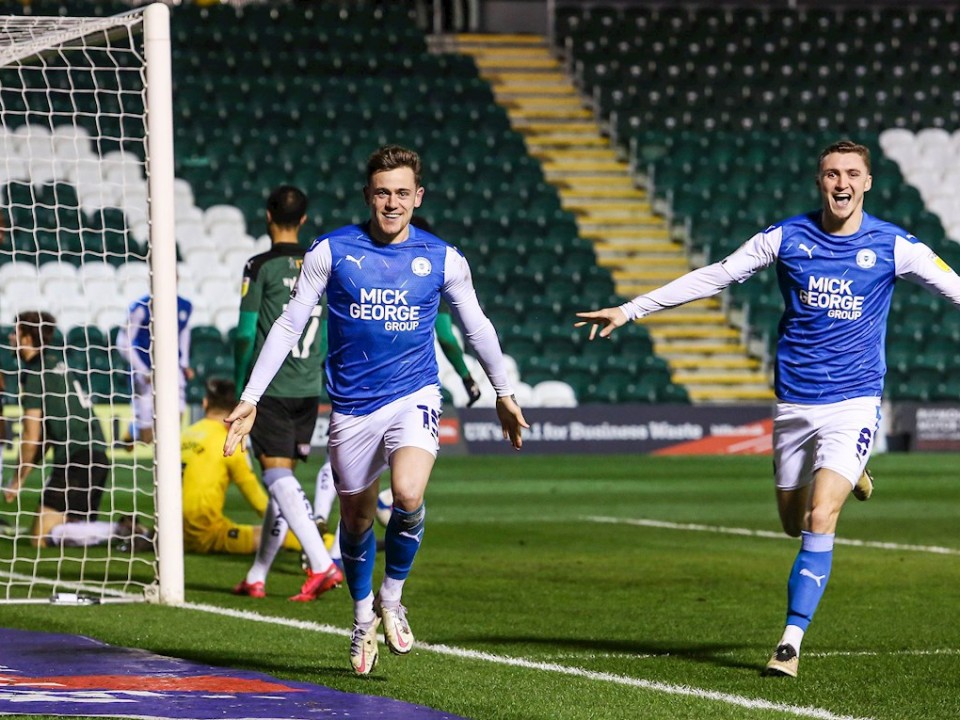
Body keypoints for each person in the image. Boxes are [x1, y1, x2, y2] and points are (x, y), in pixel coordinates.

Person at [575, 139, 960, 678]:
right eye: (832, 174)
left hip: (854, 402)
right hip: (795, 406)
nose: (842, 183)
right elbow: (716, 275)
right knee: (791, 522)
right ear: (819, 181)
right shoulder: (786, 237)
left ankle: (789, 642)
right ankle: (854, 471)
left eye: (852, 174)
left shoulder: (895, 246)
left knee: (820, 517)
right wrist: (631, 309)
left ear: (868, 183)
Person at [223, 144, 527, 675]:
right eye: (383, 193)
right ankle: (363, 617)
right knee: (357, 519)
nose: (392, 203)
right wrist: (249, 398)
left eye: (402, 193)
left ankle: (392, 596)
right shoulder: (331, 251)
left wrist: (503, 391)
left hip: (414, 396)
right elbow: (289, 324)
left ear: (418, 197)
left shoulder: (443, 258)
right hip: (352, 409)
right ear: (368, 195)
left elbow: (476, 325)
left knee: (407, 494)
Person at [231, 184, 342, 602]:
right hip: (308, 387)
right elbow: (327, 330)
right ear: (304, 220)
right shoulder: (320, 266)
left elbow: (246, 334)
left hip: (272, 387)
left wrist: (243, 388)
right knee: (284, 483)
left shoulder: (259, 266)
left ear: (267, 216)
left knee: (277, 477)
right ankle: (257, 574)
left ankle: (321, 563)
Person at [3, 311, 150, 549]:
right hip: (96, 455)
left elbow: (31, 436)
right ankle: (116, 531)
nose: (10, 337)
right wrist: (22, 477)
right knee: (70, 529)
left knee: (40, 538)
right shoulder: (57, 362)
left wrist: (17, 478)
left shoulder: (35, 372)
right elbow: (46, 437)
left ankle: (120, 530)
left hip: (76, 459)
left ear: (27, 338)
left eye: (15, 332)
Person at [181, 377, 304, 556]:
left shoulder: (183, 434)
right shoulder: (229, 443)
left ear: (205, 403)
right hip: (203, 535)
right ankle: (323, 544)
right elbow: (256, 499)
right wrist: (289, 525)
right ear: (235, 409)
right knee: (282, 536)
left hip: (171, 534)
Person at [115, 291, 194, 445]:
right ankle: (133, 429)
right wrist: (142, 370)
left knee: (176, 418)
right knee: (147, 439)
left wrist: (184, 364)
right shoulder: (140, 307)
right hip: (145, 369)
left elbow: (184, 333)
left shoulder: (184, 306)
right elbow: (123, 342)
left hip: (172, 368)